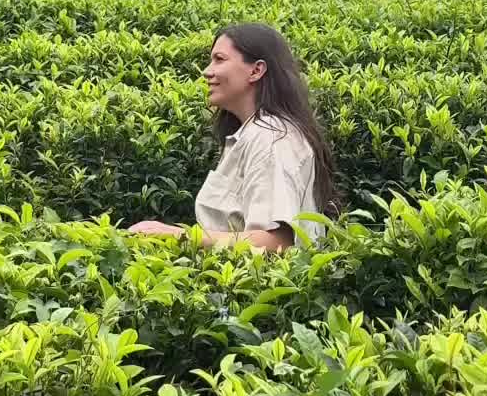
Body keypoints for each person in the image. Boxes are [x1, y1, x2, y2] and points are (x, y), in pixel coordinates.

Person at [128, 22, 338, 252]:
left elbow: (278, 242)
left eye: (219, 59)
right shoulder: (254, 132)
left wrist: (181, 235)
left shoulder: (271, 138)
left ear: (256, 70)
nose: (207, 71)